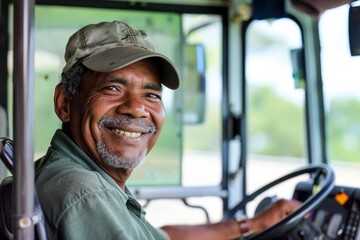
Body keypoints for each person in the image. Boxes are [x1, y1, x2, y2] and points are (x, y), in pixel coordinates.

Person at [35, 21, 301, 240]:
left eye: (151, 94)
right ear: (65, 104)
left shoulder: (73, 176)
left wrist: (252, 225)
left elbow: (160, 236)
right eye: (113, 88)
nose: (137, 108)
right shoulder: (86, 194)